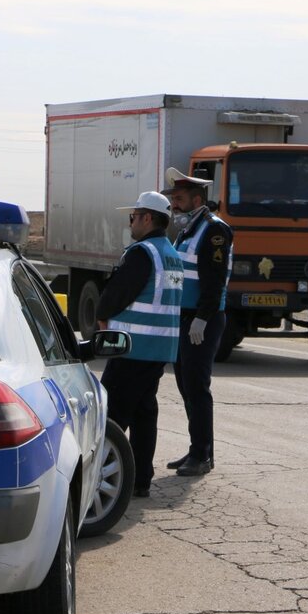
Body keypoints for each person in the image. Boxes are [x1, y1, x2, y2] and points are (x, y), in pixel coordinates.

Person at [96, 191, 183, 497]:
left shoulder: (141, 252)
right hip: (158, 349)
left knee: (112, 418)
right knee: (145, 414)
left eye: (132, 217)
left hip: (132, 348)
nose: (130, 222)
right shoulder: (170, 253)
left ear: (147, 218)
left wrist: (102, 315)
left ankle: (106, 482)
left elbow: (118, 293)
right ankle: (140, 480)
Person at [165, 167, 233, 477]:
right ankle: (197, 449)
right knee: (185, 386)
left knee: (197, 387)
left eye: (178, 199)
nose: (174, 205)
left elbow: (214, 280)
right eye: (172, 199)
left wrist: (202, 318)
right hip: (185, 318)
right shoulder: (187, 229)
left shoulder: (214, 230)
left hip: (201, 320)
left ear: (196, 199)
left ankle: (203, 454)